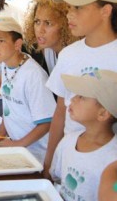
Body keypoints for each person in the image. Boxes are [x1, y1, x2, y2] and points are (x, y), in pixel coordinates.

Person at [44, 0, 117, 178]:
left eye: (78, 7)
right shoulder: (68, 54)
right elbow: (60, 111)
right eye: (68, 8)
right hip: (69, 159)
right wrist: (49, 163)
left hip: (106, 172)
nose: (69, 14)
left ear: (106, 11)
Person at [0, 17, 56, 163]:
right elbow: (6, 93)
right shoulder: (6, 64)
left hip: (35, 156)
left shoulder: (34, 75)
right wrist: (2, 129)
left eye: (1, 41)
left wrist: (18, 144)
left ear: (17, 44)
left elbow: (47, 122)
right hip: (16, 149)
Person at [50, 70, 117, 201]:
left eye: (81, 96)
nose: (72, 99)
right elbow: (56, 178)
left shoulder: (113, 158)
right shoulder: (68, 141)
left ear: (103, 114)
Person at [23, 0, 79, 75]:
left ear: (66, 24)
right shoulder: (44, 49)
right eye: (37, 22)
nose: (40, 30)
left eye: (48, 23)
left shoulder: (76, 55)